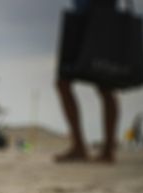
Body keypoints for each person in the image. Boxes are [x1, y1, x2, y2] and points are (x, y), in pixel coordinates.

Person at [55, 0, 119, 163]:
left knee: (105, 85)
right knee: (64, 82)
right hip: (82, 17)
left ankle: (106, 149)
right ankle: (82, 146)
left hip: (101, 17)